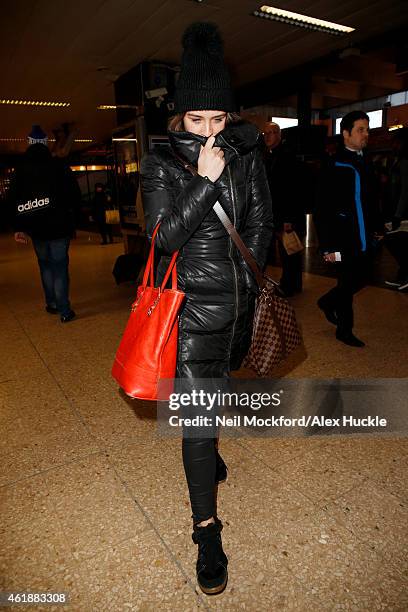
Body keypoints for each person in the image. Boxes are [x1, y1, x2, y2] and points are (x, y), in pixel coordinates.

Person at [140, 22, 273, 595]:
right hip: (191, 311)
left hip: (239, 306)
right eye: (198, 120)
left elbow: (263, 220)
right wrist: (202, 181)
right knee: (197, 421)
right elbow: (164, 236)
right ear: (179, 119)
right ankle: (206, 531)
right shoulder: (161, 163)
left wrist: (250, 273)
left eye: (218, 120)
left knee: (218, 392)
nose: (210, 131)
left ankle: (211, 450)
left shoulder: (246, 154)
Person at [314, 111, 384, 347]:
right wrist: (328, 246)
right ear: (346, 134)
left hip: (365, 236)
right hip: (343, 238)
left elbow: (371, 199)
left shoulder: (365, 161)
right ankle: (344, 331)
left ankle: (326, 301)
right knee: (346, 283)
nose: (366, 134)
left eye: (367, 129)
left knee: (360, 279)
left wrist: (378, 226)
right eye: (360, 130)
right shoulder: (333, 165)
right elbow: (322, 209)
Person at [8, 125, 80, 322]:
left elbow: (13, 199)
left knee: (45, 265)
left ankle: (52, 303)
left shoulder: (21, 170)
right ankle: (65, 311)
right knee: (60, 266)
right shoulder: (58, 165)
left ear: (30, 144)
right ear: (45, 144)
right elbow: (74, 194)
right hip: (59, 226)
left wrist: (19, 227)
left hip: (36, 228)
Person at [263, 121, 306, 295]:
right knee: (284, 251)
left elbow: (294, 189)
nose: (267, 136)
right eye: (265, 133)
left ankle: (291, 285)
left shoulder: (288, 157)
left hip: (286, 213)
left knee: (290, 251)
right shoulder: (267, 156)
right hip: (274, 213)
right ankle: (289, 283)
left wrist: (289, 218)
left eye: (271, 133)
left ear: (279, 135)